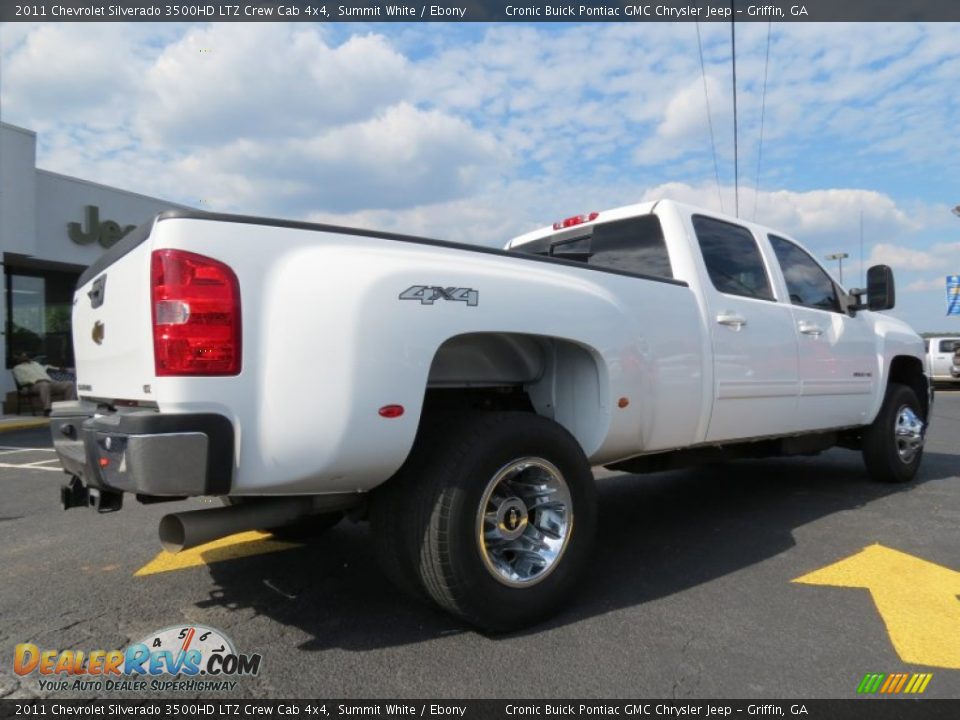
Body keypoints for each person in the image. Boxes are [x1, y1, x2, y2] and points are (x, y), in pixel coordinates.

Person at [12, 352, 77, 415]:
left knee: (69, 384)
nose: (25, 357)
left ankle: (68, 407)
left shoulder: (35, 364)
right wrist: (36, 381)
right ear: (18, 358)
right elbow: (22, 381)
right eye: (23, 356)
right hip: (34, 385)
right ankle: (47, 409)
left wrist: (59, 369)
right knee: (44, 385)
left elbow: (47, 367)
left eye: (25, 355)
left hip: (50, 382)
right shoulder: (17, 368)